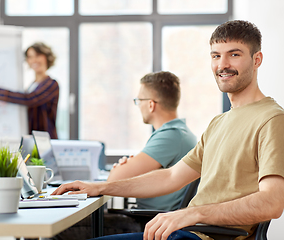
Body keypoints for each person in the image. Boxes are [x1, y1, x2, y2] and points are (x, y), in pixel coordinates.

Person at [52, 20, 284, 240]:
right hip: (184, 232)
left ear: (256, 59)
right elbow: (171, 177)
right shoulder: (219, 123)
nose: (222, 65)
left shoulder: (273, 121)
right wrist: (100, 187)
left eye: (234, 55)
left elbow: (272, 202)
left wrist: (192, 214)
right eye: (215, 56)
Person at [51, 71, 197, 239]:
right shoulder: (179, 132)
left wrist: (122, 168)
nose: (138, 105)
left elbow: (114, 179)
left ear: (151, 104)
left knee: (59, 228)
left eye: (139, 101)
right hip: (154, 220)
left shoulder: (170, 135)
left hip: (148, 223)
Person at [0, 42, 59, 139]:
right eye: (30, 57)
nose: (33, 60)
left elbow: (29, 99)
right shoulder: (31, 85)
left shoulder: (51, 84)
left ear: (46, 57)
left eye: (37, 55)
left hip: (45, 138)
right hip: (31, 138)